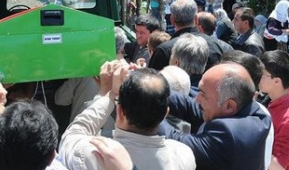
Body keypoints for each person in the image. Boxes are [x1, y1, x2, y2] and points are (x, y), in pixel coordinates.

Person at [60, 65, 195, 170]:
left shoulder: (94, 154)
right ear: (165, 113)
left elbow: (72, 135)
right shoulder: (183, 156)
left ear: (120, 112)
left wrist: (108, 94)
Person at [159, 63, 272, 170]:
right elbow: (189, 105)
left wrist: (149, 105)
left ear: (229, 106)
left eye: (203, 94)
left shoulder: (228, 135)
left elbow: (176, 140)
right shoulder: (243, 108)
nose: (197, 99)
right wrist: (150, 85)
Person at [259, 51, 289, 170]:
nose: (257, 76)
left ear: (277, 81)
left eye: (262, 74)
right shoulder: (279, 99)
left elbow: (277, 165)